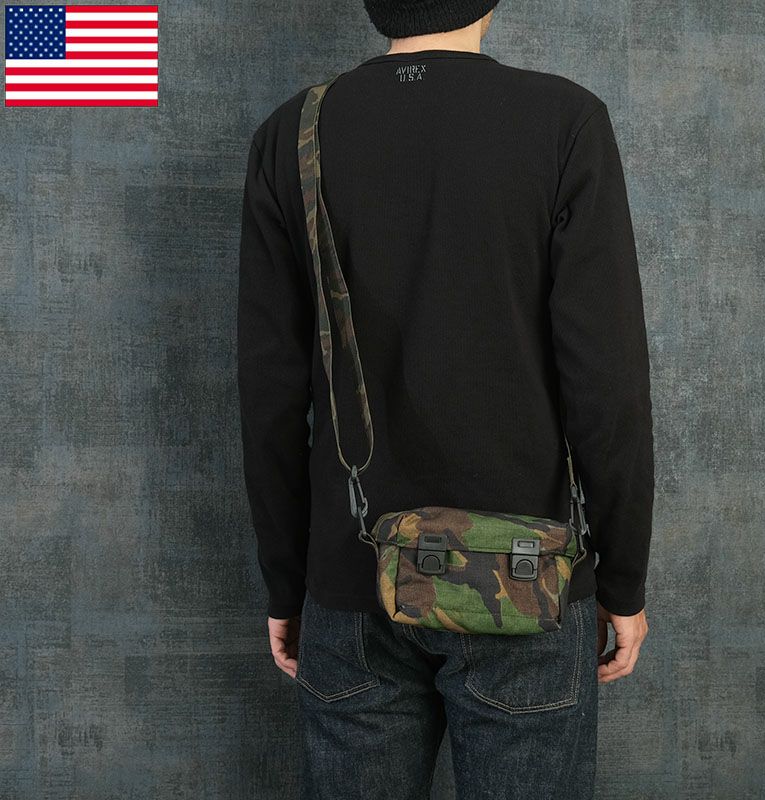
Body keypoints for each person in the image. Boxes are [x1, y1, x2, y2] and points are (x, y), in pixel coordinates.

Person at [237, 1, 654, 797]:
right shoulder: (564, 122)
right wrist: (623, 579)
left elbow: (269, 396)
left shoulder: (292, 134)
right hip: (527, 579)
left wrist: (286, 582)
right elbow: (609, 387)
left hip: (351, 582)